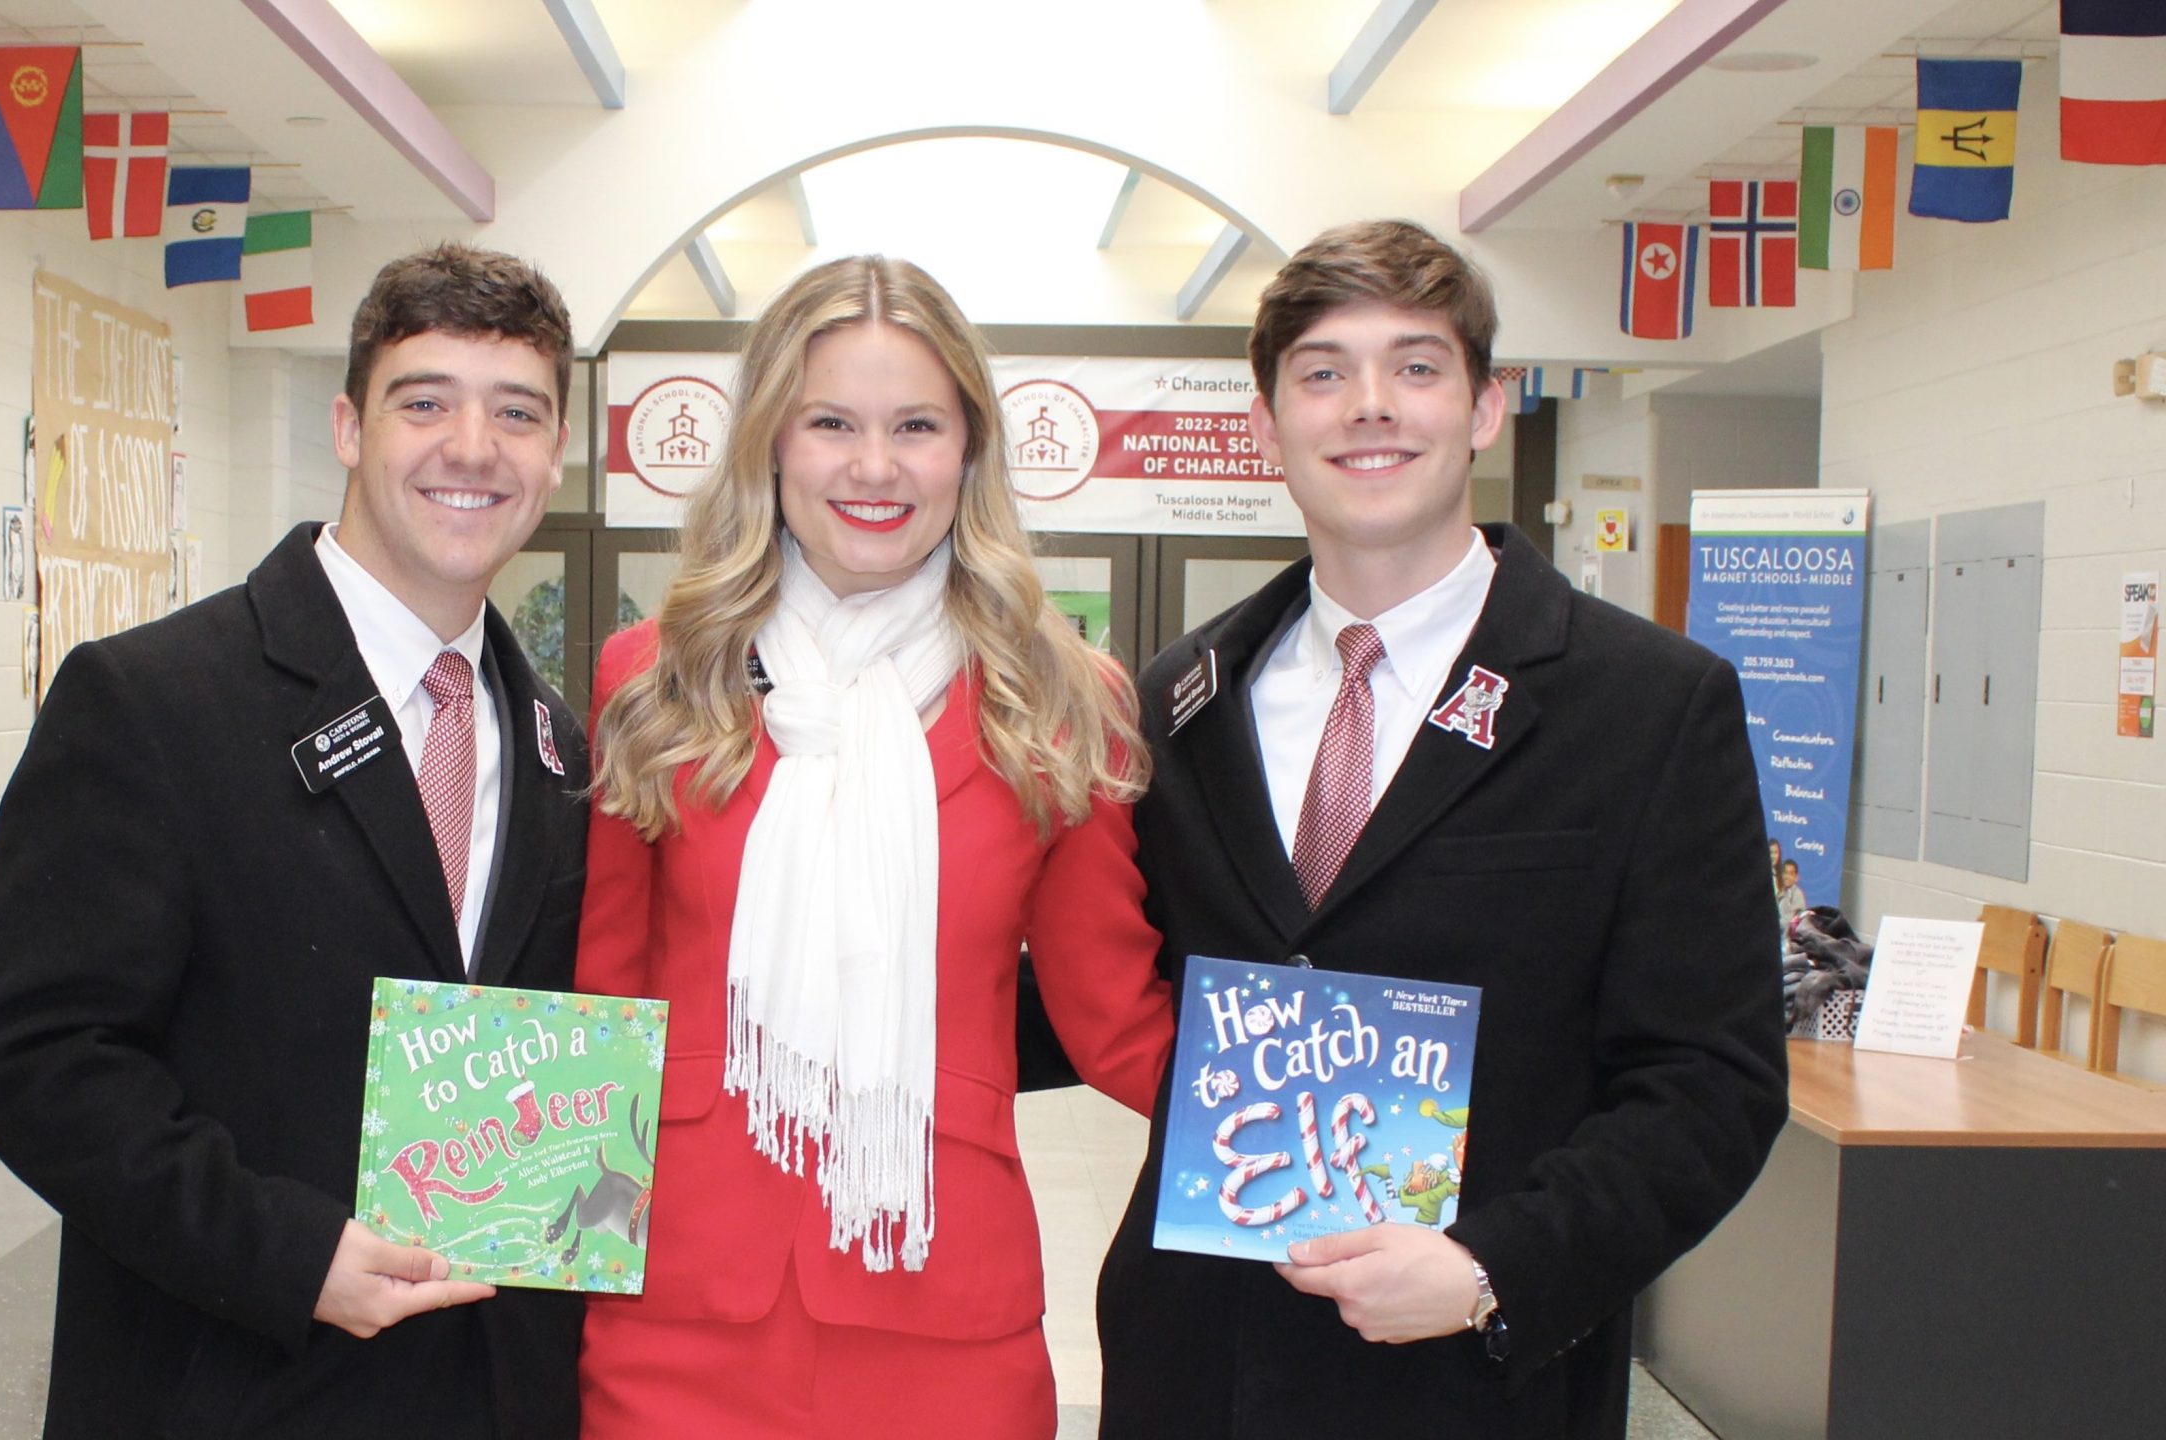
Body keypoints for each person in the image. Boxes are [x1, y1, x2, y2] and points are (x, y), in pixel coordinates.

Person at [1095, 219, 1788, 1438]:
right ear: (1266, 427)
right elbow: (1108, 981)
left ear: (1482, 408)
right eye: (1322, 372)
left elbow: (1708, 1083)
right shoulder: (1174, 701)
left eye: (1415, 366)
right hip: (1198, 1362)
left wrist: (1491, 1270)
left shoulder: (1644, 705)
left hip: (1470, 1384)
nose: (1370, 406)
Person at [0, 243, 588, 1439]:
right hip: (229, 1377)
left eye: (516, 412)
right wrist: (292, 1255)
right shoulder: (154, 702)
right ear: (349, 428)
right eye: (425, 402)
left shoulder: (562, 748)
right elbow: (34, 1056)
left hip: (487, 1392)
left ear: (554, 455)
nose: (472, 446)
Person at [574, 255, 1176, 1440]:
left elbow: (1112, 1010)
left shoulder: (1057, 698)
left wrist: (1350, 1147)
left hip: (941, 1301)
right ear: (771, 445)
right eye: (831, 424)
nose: (874, 466)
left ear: (968, 452)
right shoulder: (655, 678)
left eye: (916, 426)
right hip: (676, 1307)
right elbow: (606, 994)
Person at [1775, 858, 1810, 929]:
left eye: (1791, 874)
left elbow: (1792, 920)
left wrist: (1772, 924)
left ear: (1796, 877)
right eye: (1785, 873)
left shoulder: (1797, 894)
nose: (1787, 877)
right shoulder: (1779, 892)